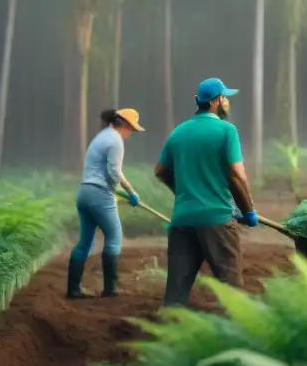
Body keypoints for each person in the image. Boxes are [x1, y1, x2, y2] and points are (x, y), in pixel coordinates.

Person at [155, 78, 257, 307]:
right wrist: (248, 210)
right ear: (216, 101)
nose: (227, 102)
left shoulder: (178, 132)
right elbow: (236, 175)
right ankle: (234, 338)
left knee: (176, 291)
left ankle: (171, 336)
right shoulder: (226, 130)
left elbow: (160, 171)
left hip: (183, 219)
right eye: (225, 97)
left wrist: (185, 192)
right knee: (232, 289)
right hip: (217, 219)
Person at [67, 108, 145, 300]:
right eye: (131, 130)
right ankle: (110, 289)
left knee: (85, 242)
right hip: (100, 194)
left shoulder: (102, 136)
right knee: (114, 237)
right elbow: (114, 173)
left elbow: (105, 172)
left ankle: (73, 290)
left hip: (85, 192)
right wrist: (130, 192)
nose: (130, 134)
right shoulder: (116, 141)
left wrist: (121, 192)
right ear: (125, 125)